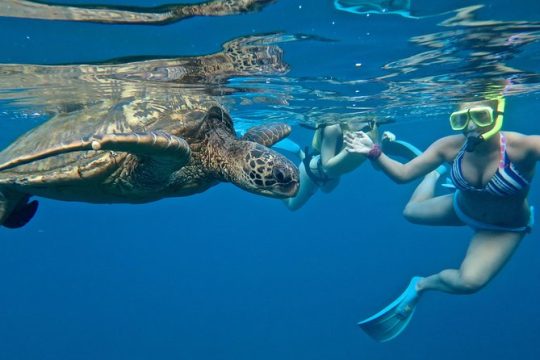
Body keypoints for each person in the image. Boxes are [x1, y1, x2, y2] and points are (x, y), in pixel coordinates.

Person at [345, 96, 538, 342]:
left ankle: (421, 285)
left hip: (503, 228)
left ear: (498, 115)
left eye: (480, 116)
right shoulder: (449, 146)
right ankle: (432, 176)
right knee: (410, 213)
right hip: (462, 207)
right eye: (460, 120)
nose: (471, 127)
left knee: (469, 282)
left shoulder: (523, 147)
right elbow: (403, 175)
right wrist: (373, 152)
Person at [284, 119, 417, 211]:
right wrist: (351, 149)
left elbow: (377, 167)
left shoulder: (372, 127)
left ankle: (300, 154)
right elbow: (327, 168)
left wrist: (381, 147)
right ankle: (291, 162)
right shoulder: (332, 127)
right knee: (292, 206)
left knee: (326, 191)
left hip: (334, 177)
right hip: (313, 172)